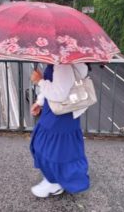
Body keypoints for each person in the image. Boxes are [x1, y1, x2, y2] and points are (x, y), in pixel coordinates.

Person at [29, 63, 90, 198]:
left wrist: (39, 81)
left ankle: (54, 182)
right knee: (58, 149)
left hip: (60, 115)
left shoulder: (63, 66)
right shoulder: (61, 62)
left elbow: (59, 94)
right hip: (58, 112)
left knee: (47, 148)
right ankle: (57, 179)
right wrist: (40, 102)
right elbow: (56, 86)